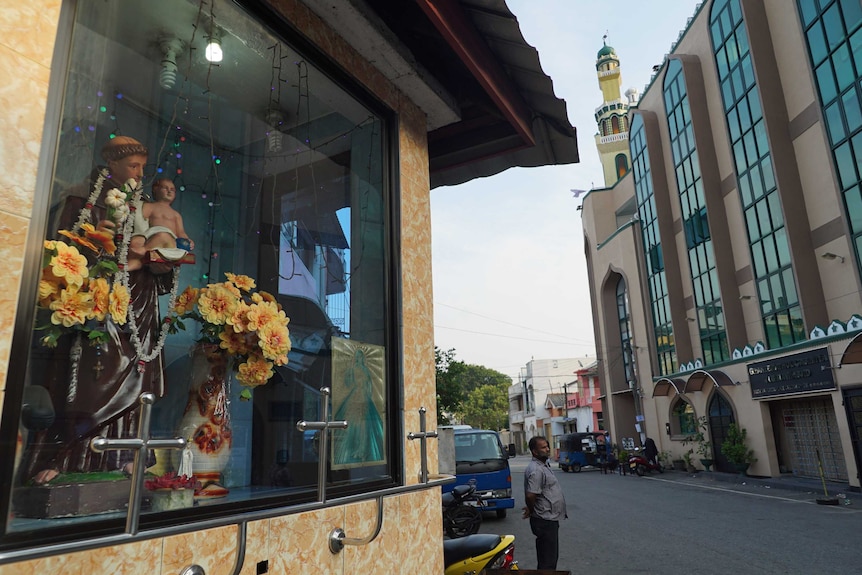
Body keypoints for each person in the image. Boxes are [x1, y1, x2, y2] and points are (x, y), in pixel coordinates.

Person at [21, 136, 171, 485]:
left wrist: (159, 260)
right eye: (133, 166)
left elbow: (162, 246)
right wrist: (94, 241)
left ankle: (125, 455)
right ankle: (71, 455)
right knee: (92, 376)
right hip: (96, 300)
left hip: (138, 301)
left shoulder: (145, 205)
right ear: (112, 163)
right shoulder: (82, 198)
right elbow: (60, 251)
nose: (139, 173)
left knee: (136, 373)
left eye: (142, 167)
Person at [127, 178, 194, 271]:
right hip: (151, 235)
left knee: (163, 236)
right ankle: (136, 262)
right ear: (155, 189)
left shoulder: (175, 215)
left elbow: (181, 232)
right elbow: (140, 220)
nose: (169, 191)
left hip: (168, 242)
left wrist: (188, 241)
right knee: (137, 240)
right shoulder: (150, 206)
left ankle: (144, 250)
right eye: (165, 188)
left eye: (172, 190)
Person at [522, 435, 567, 570]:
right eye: (543, 447)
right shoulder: (536, 469)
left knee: (549, 559)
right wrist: (531, 509)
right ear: (535, 452)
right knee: (548, 562)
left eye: (547, 446)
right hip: (544, 520)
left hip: (549, 518)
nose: (547, 449)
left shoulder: (543, 465)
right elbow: (530, 495)